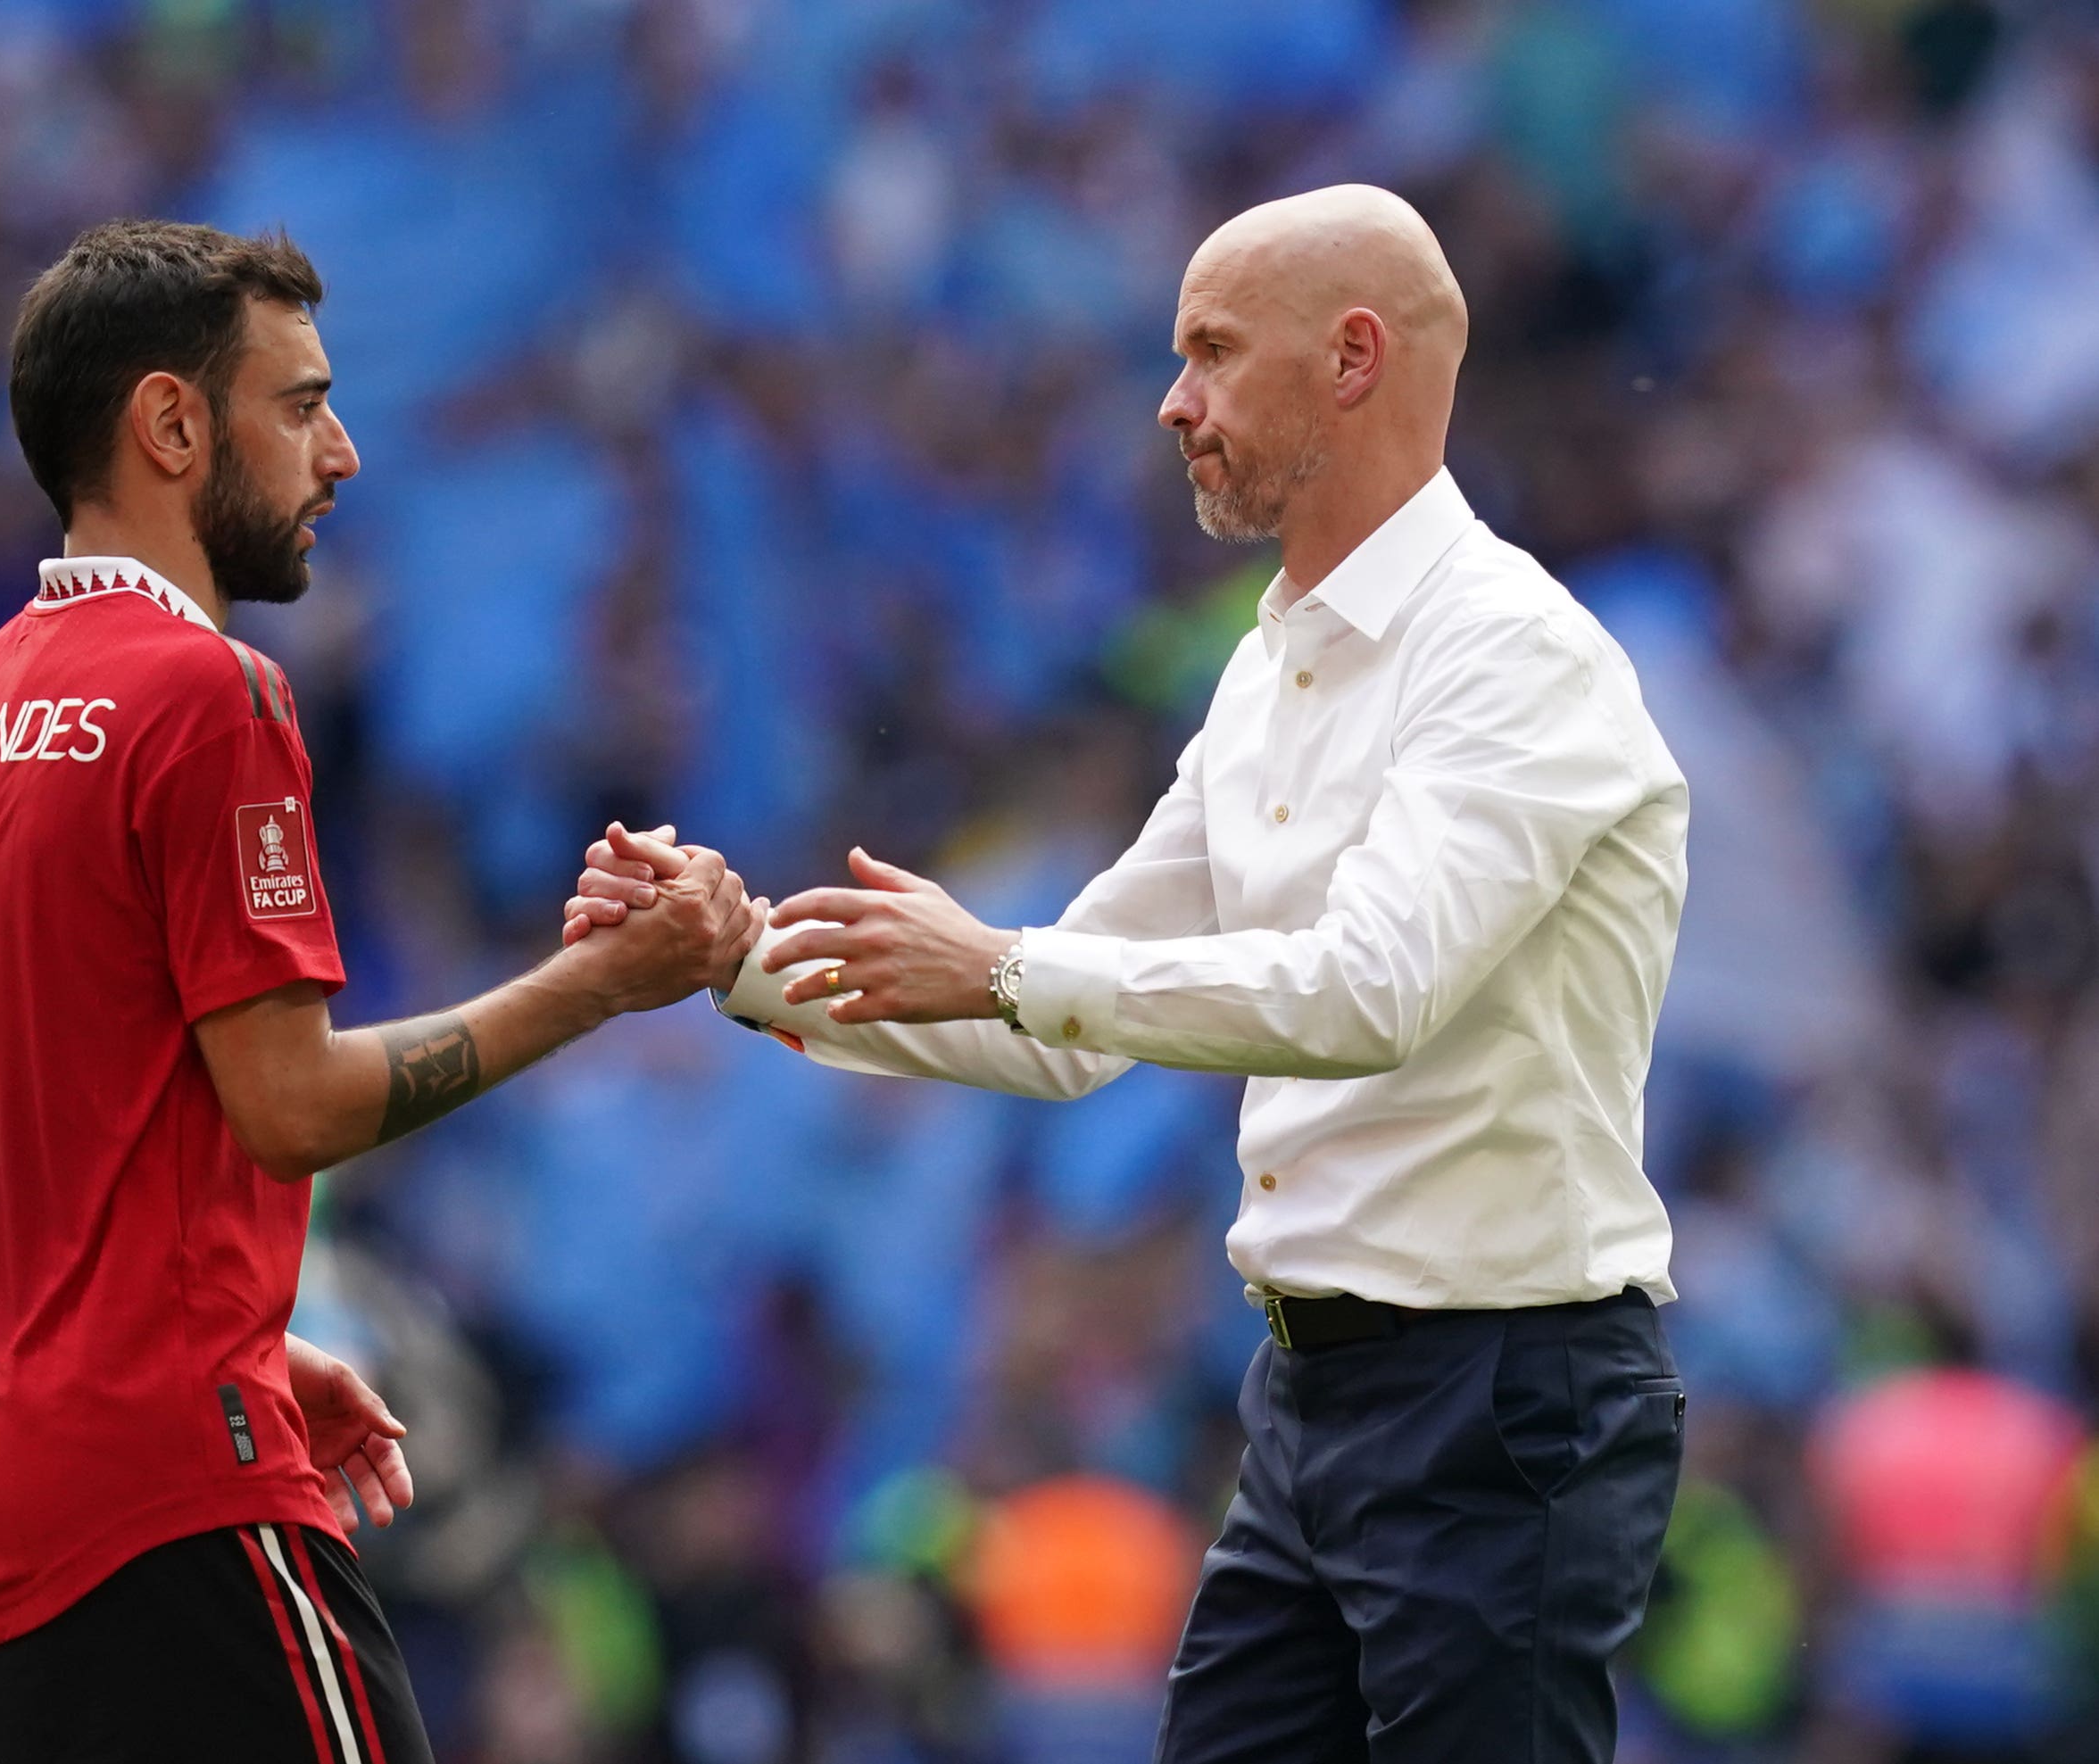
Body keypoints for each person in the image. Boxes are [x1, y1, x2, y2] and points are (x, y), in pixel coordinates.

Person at [569, 186, 1691, 1763]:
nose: (1172, 402)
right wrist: (740, 954)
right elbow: (1058, 1027)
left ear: (1353, 358)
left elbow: (1365, 995)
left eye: (1213, 354)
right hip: (1309, 1396)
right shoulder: (1264, 664)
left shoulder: (1513, 655)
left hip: (1504, 1397)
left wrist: (1012, 964)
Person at [0, 219, 757, 1764]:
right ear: (171, 424)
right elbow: (293, 1108)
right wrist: (605, 981)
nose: (339, 455)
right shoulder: (206, 692)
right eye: (298, 405)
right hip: (159, 1504)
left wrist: (235, 1329)